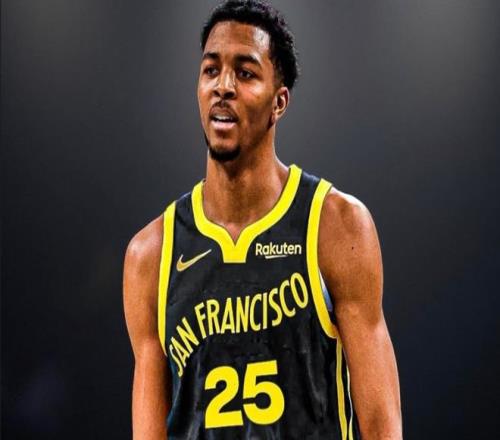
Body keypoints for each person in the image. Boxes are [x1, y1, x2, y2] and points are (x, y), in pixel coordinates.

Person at [123, 1, 402, 438]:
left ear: (279, 102)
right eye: (211, 70)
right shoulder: (151, 254)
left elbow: (383, 426)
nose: (223, 86)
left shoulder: (336, 225)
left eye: (245, 73)